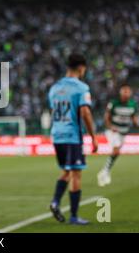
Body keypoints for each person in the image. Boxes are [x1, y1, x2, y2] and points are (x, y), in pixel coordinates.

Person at [48, 53, 98, 225]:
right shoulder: (81, 88)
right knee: (76, 174)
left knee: (67, 171)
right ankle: (74, 216)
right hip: (72, 136)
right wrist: (93, 137)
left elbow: (53, 111)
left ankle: (55, 202)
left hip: (57, 135)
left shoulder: (54, 88)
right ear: (81, 68)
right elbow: (85, 113)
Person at [98, 84, 138, 187]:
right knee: (116, 150)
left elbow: (134, 117)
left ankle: (105, 171)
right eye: (124, 91)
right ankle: (105, 172)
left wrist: (136, 123)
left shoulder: (133, 104)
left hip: (124, 133)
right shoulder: (114, 103)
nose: (126, 94)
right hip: (113, 131)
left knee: (116, 154)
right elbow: (106, 116)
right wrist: (110, 126)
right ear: (120, 93)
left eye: (128, 91)